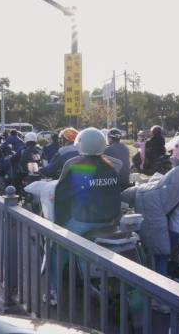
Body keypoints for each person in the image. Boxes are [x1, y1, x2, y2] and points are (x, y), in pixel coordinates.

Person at [49, 128, 123, 303]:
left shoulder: (79, 167)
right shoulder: (111, 168)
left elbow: (62, 196)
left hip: (85, 221)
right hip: (110, 221)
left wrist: (59, 222)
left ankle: (54, 291)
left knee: (56, 248)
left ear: (81, 145)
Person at [122, 136, 179, 277]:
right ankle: (173, 269)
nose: (171, 155)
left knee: (159, 252)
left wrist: (134, 192)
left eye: (174, 152)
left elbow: (158, 195)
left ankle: (159, 281)